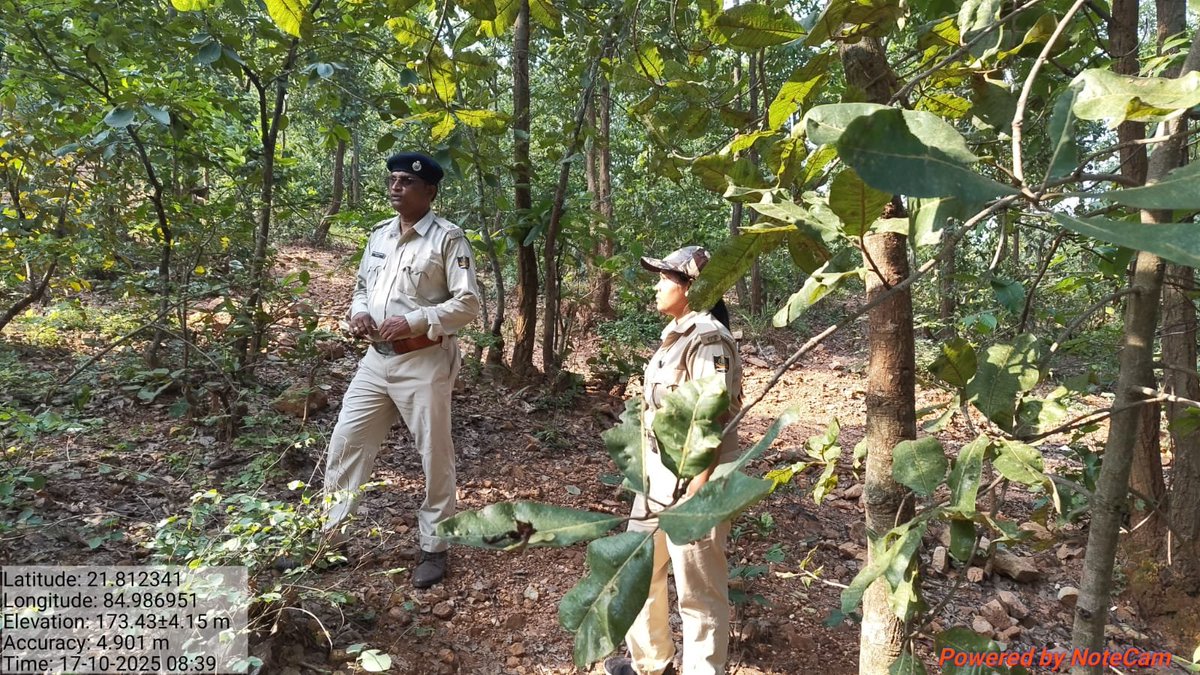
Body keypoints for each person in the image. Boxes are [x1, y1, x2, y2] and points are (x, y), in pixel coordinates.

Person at [321, 151, 480, 588]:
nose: (396, 187)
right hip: (376, 360)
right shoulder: (380, 235)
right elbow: (361, 287)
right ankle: (329, 539)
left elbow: (468, 304)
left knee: (434, 454)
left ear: (429, 191)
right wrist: (358, 312)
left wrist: (414, 320)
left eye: (407, 182)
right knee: (347, 442)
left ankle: (435, 546)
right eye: (393, 180)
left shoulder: (448, 239)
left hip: (424, 360)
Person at [605, 246, 743, 675]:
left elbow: (712, 416)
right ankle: (651, 664)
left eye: (666, 279)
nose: (658, 286)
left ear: (693, 288)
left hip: (696, 479)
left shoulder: (709, 338)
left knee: (698, 589)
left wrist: (697, 496)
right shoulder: (678, 334)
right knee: (638, 568)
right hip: (659, 475)